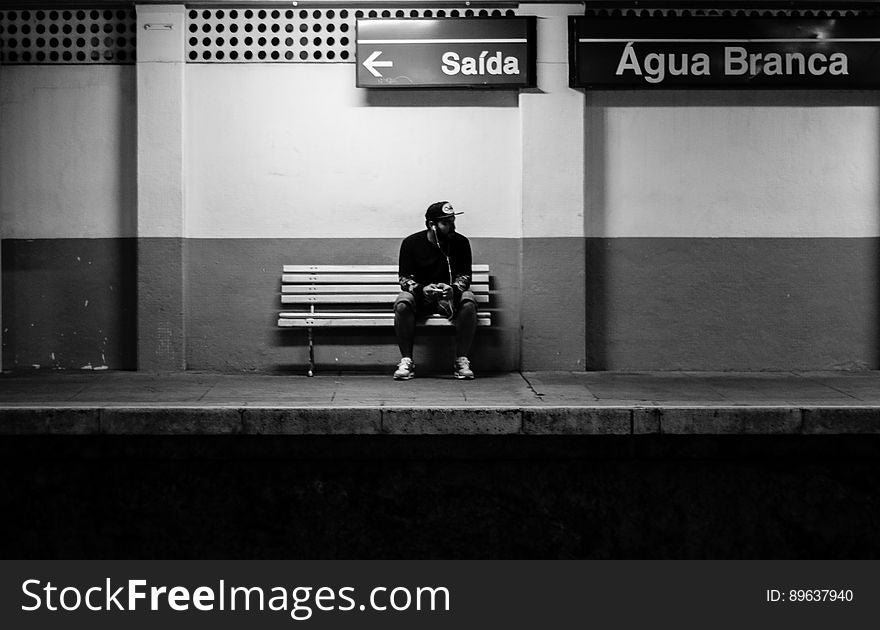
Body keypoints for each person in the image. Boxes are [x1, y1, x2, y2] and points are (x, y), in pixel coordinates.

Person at [393, 201, 477, 380]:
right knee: (402, 303)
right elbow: (404, 278)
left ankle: (461, 360)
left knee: (469, 301)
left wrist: (453, 289)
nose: (451, 226)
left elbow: (465, 277)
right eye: (445, 223)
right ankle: (407, 360)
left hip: (449, 298)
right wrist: (422, 289)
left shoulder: (461, 243)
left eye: (452, 221)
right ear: (431, 224)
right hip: (422, 297)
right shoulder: (411, 243)